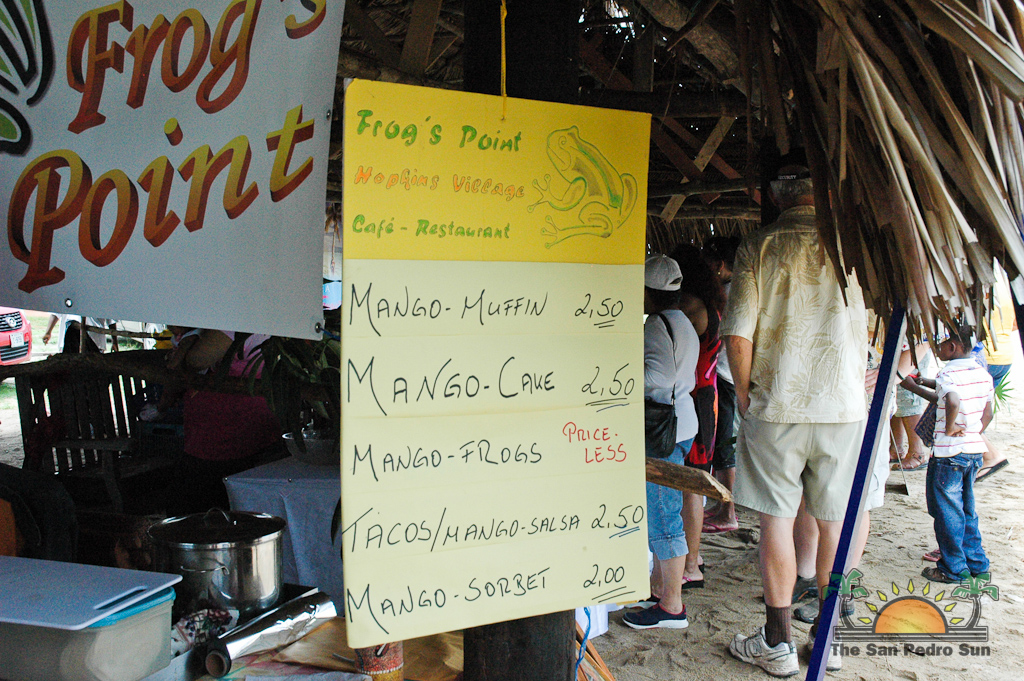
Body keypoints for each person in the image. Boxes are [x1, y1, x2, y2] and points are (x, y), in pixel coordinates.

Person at [722, 152, 868, 677]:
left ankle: (777, 643)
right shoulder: (854, 248)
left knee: (776, 522)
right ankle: (828, 637)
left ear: (774, 195)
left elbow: (738, 334)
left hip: (778, 405)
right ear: (823, 192)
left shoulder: (760, 246)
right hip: (843, 407)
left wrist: (744, 395)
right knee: (835, 524)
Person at [622, 254, 700, 630]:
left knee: (663, 515)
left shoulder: (656, 324)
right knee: (666, 509)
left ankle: (671, 606)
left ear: (648, 291)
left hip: (662, 430)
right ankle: (660, 590)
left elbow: (659, 377)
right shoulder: (683, 321)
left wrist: (624, 372)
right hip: (683, 424)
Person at [901, 324, 993, 583]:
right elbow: (988, 413)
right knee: (966, 509)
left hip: (948, 454)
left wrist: (951, 428)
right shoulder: (982, 374)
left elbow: (951, 399)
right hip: (973, 451)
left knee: (946, 512)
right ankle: (977, 564)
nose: (938, 348)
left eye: (940, 344)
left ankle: (953, 569)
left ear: (952, 347)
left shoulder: (948, 373)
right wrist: (973, 432)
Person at [162, 328, 283, 516]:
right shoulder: (268, 322)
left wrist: (185, 348)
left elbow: (196, 359)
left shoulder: (234, 323)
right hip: (246, 430)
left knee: (194, 510)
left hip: (221, 438)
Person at [668, 244, 726, 584]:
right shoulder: (711, 305)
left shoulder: (687, 307)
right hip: (708, 396)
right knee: (695, 483)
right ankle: (694, 555)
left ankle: (689, 566)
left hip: (693, 398)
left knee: (690, 485)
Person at [702, 236, 742, 534]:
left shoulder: (730, 293)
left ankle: (729, 512)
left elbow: (727, 337)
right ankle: (721, 505)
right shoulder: (731, 289)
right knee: (721, 445)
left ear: (720, 265)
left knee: (725, 446)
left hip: (727, 378)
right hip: (725, 375)